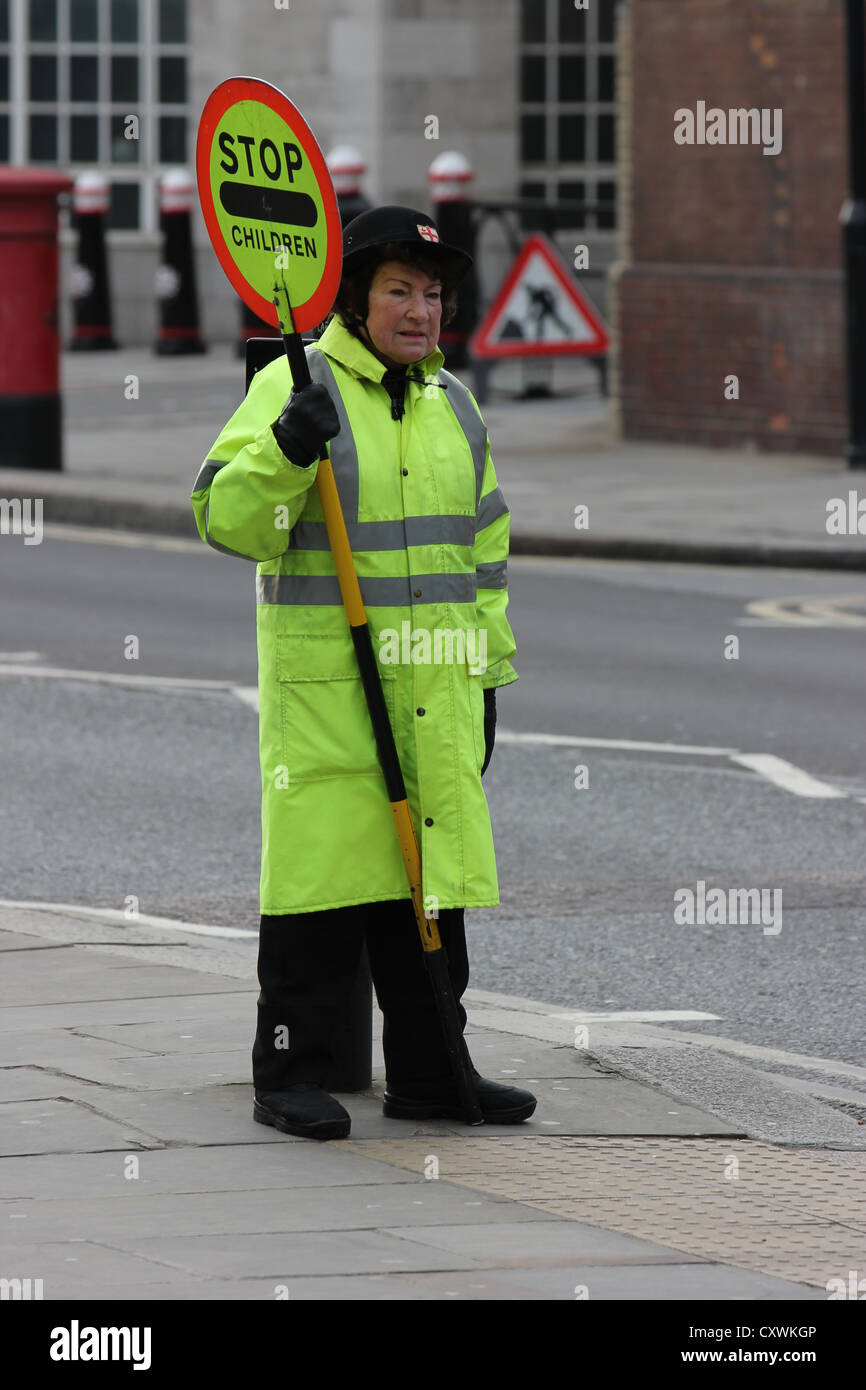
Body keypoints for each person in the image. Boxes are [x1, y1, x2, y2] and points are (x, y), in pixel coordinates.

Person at [191, 205, 535, 1140]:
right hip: (332, 694)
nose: (421, 310)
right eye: (399, 290)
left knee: (430, 889)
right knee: (319, 888)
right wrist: (287, 447)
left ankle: (433, 1073)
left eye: (433, 294)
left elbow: (486, 555)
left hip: (439, 690)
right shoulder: (293, 385)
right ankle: (289, 1073)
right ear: (355, 299)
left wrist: (490, 675)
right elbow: (225, 519)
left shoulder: (455, 404)